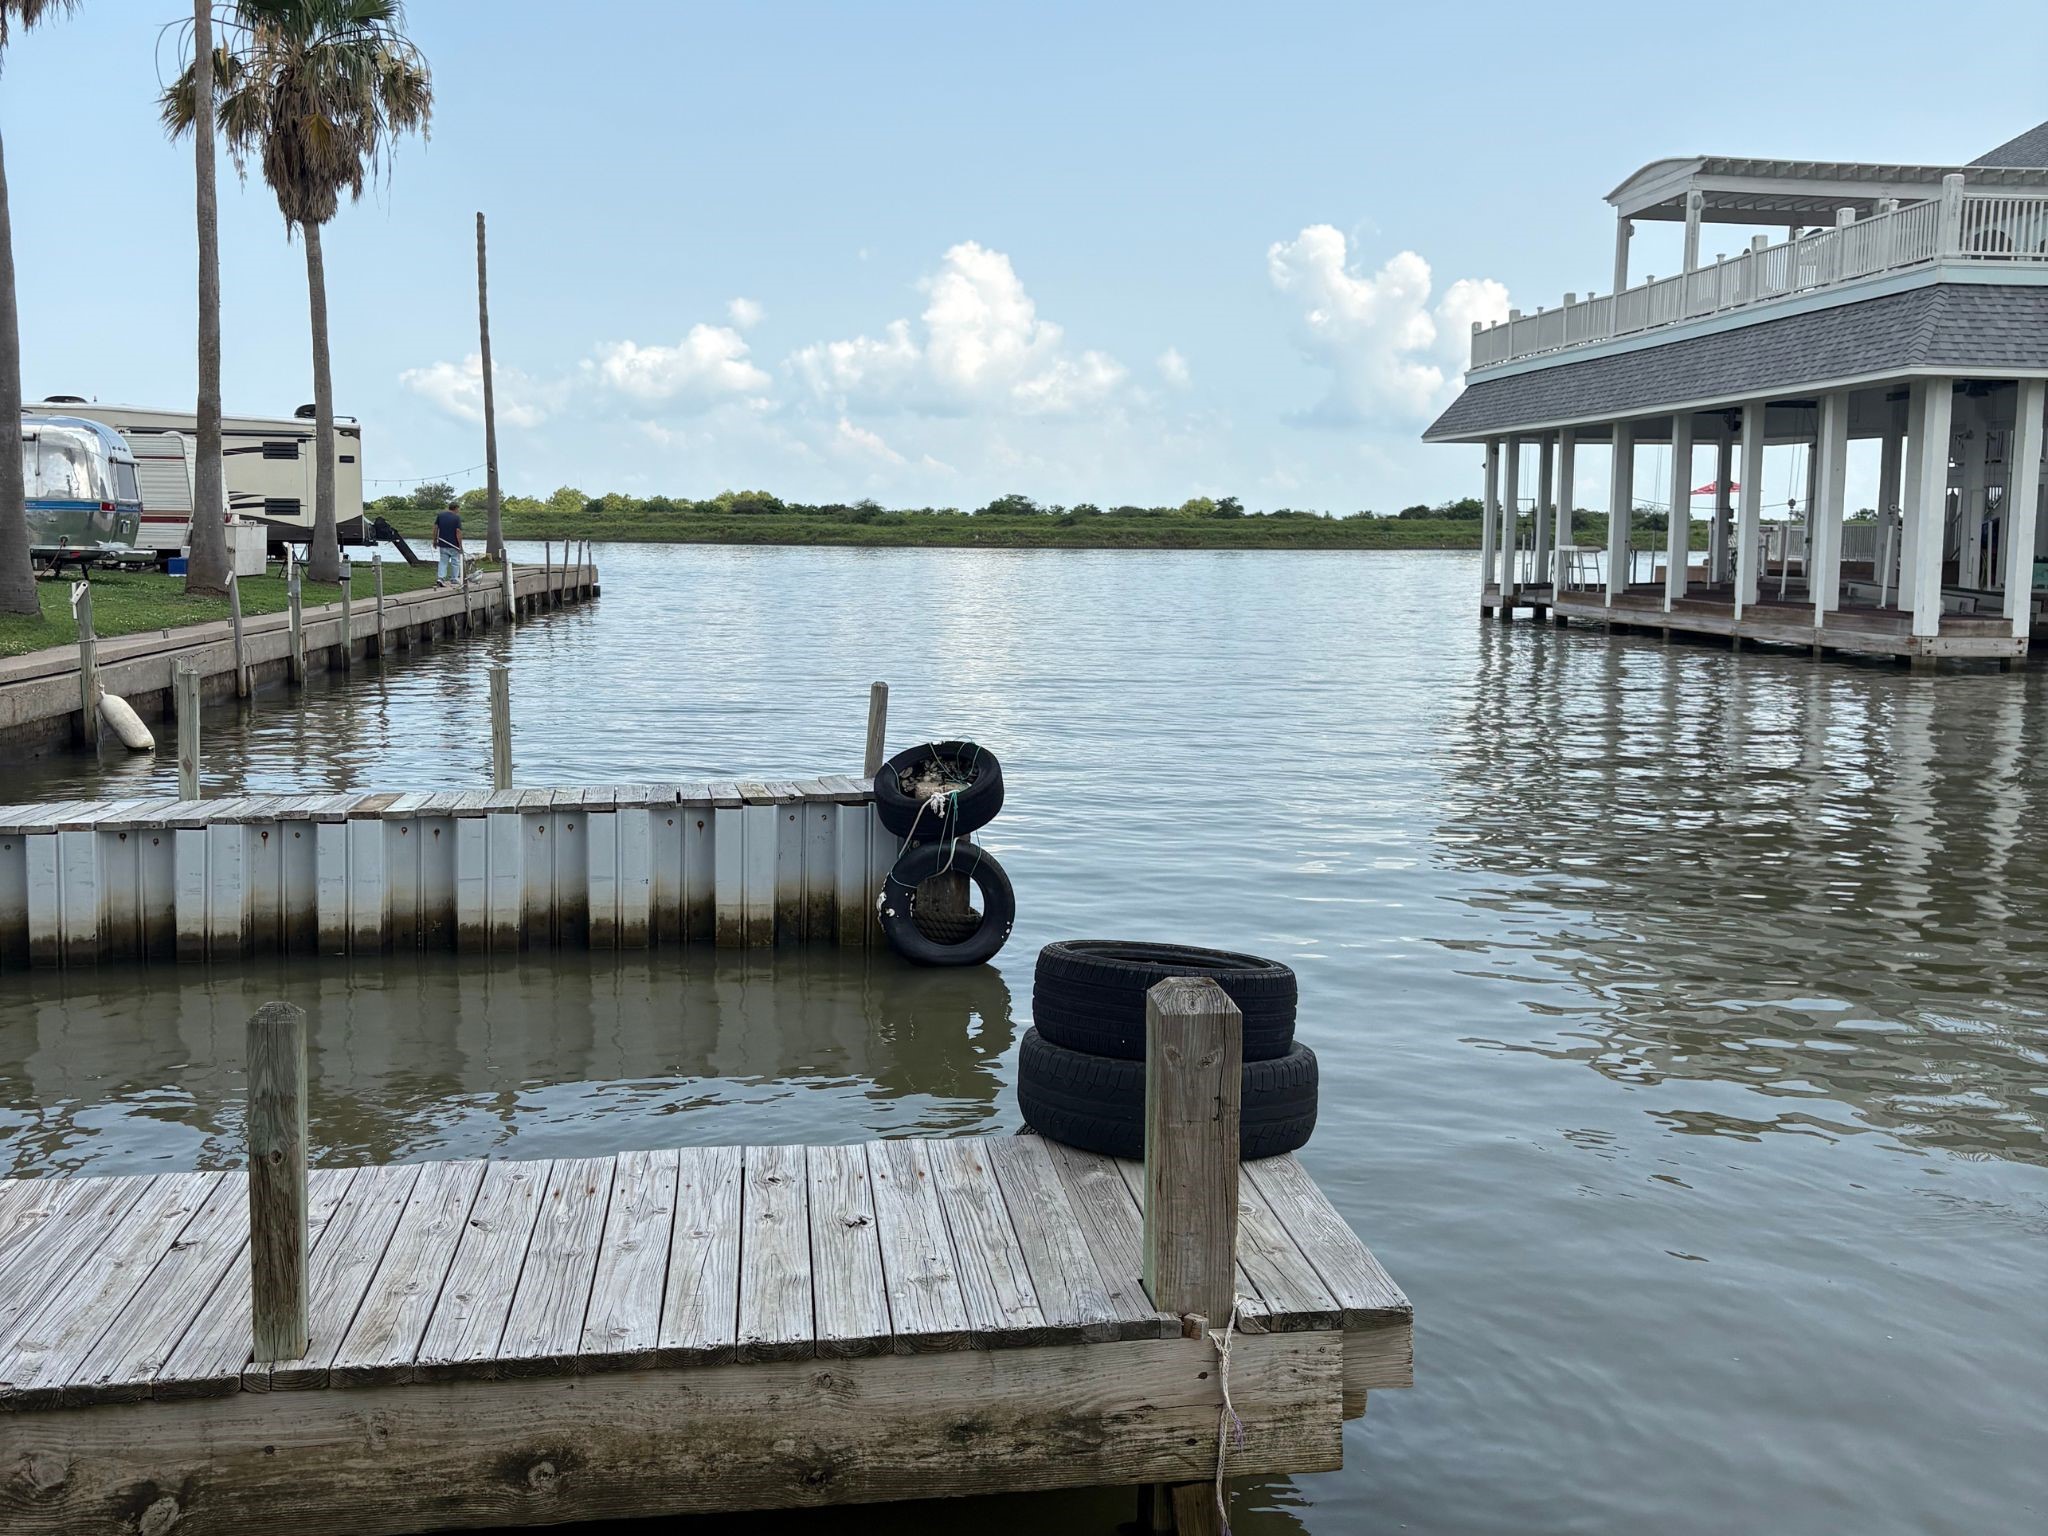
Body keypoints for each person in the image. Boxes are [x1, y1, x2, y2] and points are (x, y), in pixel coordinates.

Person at [434, 499, 463, 586]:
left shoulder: (440, 515)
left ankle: (441, 578)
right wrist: (460, 545)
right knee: (455, 562)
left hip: (442, 543)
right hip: (453, 544)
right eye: (458, 509)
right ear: (456, 508)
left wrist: (434, 540)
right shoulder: (456, 518)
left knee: (443, 561)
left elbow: (435, 528)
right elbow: (458, 531)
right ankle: (454, 578)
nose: (458, 511)